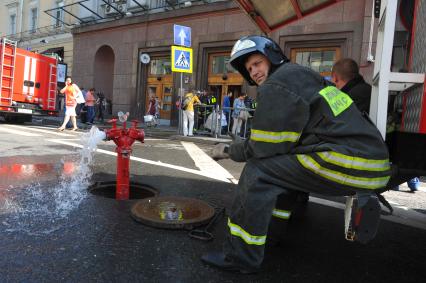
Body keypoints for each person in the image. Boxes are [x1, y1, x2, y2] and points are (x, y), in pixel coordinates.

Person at [202, 36, 391, 274]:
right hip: (370, 162)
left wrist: (229, 150)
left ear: (271, 57)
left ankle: (240, 256)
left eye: (257, 63)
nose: (254, 72)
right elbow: (285, 144)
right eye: (249, 69)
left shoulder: (277, 84)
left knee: (259, 170)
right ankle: (273, 233)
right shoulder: (302, 76)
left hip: (352, 160)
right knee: (284, 169)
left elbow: (261, 148)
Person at [332, 59, 420, 193]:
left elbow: (339, 126)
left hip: (368, 152)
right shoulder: (364, 90)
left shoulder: (351, 96)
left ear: (336, 78)